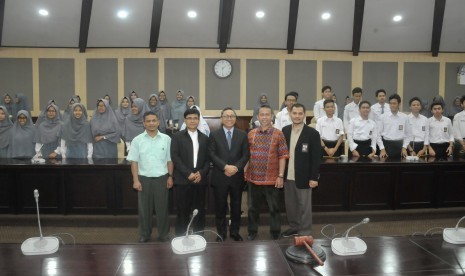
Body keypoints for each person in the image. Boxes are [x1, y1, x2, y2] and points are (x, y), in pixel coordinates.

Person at [126, 111, 173, 243]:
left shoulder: (166, 139)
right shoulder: (137, 140)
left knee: (162, 208)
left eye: (154, 120)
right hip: (143, 179)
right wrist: (135, 180)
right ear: (144, 123)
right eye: (148, 121)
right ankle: (144, 234)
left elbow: (170, 160)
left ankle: (164, 234)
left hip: (162, 178)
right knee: (144, 209)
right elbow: (134, 162)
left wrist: (170, 177)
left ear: (158, 122)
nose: (151, 123)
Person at [246, 105, 289, 240]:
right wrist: (245, 171)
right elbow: (247, 155)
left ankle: (275, 233)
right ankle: (252, 232)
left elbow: (283, 155)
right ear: (257, 117)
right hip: (253, 179)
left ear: (272, 117)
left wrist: (281, 176)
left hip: (272, 179)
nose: (264, 117)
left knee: (274, 209)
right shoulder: (251, 134)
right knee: (253, 209)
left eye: (267, 114)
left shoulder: (279, 134)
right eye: (262, 114)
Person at [209, 107, 250, 242]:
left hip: (236, 177)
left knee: (236, 207)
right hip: (220, 176)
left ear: (235, 118)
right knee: (220, 207)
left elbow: (246, 155)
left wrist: (236, 167)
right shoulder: (214, 134)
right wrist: (225, 167)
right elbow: (212, 154)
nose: (229, 118)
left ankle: (234, 232)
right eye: (226, 116)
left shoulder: (242, 134)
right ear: (221, 118)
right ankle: (221, 232)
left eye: (232, 116)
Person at [281, 103, 321, 237]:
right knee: (291, 206)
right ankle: (294, 227)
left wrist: (314, 178)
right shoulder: (285, 130)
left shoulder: (312, 133)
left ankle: (305, 231)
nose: (297, 116)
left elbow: (316, 158)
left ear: (304, 115)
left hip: (304, 176)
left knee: (304, 206)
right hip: (288, 175)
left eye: (300, 113)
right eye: (294, 113)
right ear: (290, 114)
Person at [171, 108, 210, 236]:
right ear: (185, 120)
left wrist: (201, 173)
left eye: (195, 118)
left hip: (200, 180)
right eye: (189, 118)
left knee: (199, 211)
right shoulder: (177, 137)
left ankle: (199, 235)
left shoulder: (204, 138)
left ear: (199, 120)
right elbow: (175, 157)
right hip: (183, 179)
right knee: (183, 211)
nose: (192, 121)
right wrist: (188, 173)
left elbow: (207, 159)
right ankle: (181, 236)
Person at [378, 94, 409, 159]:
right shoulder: (383, 117)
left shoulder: (405, 117)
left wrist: (404, 147)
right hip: (386, 146)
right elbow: (378, 134)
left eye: (394, 103)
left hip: (400, 146)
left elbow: (408, 134)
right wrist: (382, 149)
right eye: (390, 103)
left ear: (399, 104)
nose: (392, 105)